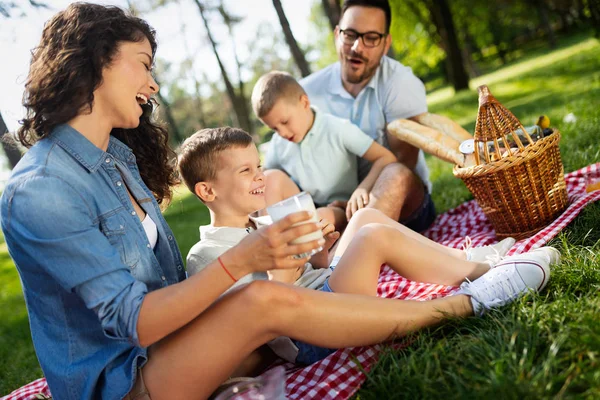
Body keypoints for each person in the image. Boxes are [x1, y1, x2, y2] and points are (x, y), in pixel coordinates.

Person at [0, 3, 557, 399]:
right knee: (260, 305)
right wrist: (245, 260)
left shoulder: (115, 160)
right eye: (143, 63)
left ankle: (470, 275)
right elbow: (136, 323)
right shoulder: (41, 192)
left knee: (277, 307)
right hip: (129, 383)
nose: (153, 82)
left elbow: (167, 290)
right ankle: (470, 302)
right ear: (97, 61)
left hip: (178, 350)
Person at [178, 126, 558, 366]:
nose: (260, 176)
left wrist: (320, 251)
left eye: (258, 166)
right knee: (373, 238)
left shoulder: (259, 224)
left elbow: (310, 272)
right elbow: (254, 329)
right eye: (246, 171)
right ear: (207, 191)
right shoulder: (208, 257)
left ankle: (468, 260)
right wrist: (288, 274)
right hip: (311, 334)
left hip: (324, 293)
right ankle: (485, 277)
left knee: (365, 220)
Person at [300, 0, 444, 232]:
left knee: (396, 174)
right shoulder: (306, 94)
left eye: (371, 38)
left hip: (402, 206)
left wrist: (356, 201)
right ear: (337, 35)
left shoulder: (401, 84)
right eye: (350, 35)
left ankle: (341, 262)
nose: (358, 47)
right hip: (335, 207)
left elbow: (403, 161)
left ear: (386, 44)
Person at [251, 70, 396, 230]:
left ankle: (288, 240)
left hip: (337, 208)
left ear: (304, 103)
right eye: (274, 129)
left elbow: (386, 158)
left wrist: (362, 188)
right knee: (269, 177)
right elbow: (267, 178)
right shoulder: (279, 143)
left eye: (285, 122)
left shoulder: (338, 129)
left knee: (317, 217)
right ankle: (265, 235)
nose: (282, 133)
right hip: (302, 203)